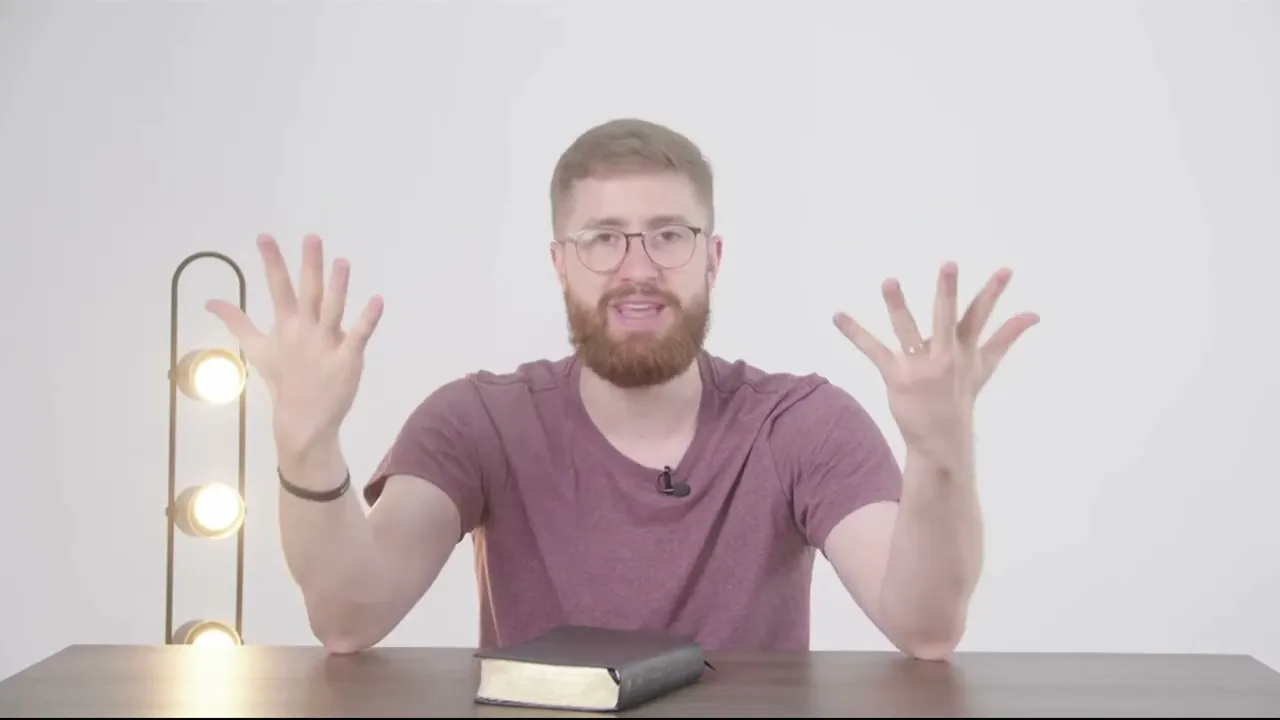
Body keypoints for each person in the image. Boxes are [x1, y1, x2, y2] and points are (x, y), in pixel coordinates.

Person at [208, 118, 1039, 660]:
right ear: (559, 262)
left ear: (712, 258)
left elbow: (927, 627)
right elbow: (349, 617)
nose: (637, 268)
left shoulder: (800, 424)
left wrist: (941, 449)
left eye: (669, 235)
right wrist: (306, 442)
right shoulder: (479, 421)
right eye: (603, 239)